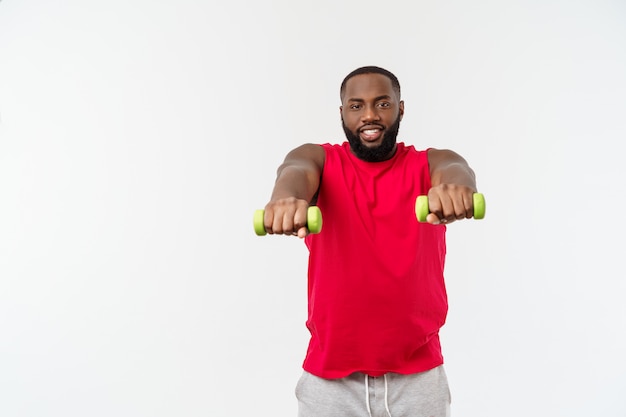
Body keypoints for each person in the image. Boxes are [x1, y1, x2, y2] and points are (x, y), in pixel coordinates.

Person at [261, 66, 480, 417]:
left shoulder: (428, 165)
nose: (369, 116)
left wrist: (454, 188)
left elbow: (456, 167)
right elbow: (295, 169)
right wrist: (286, 198)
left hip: (418, 378)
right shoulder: (321, 159)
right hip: (330, 382)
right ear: (342, 112)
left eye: (382, 104)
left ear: (400, 109)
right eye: (356, 106)